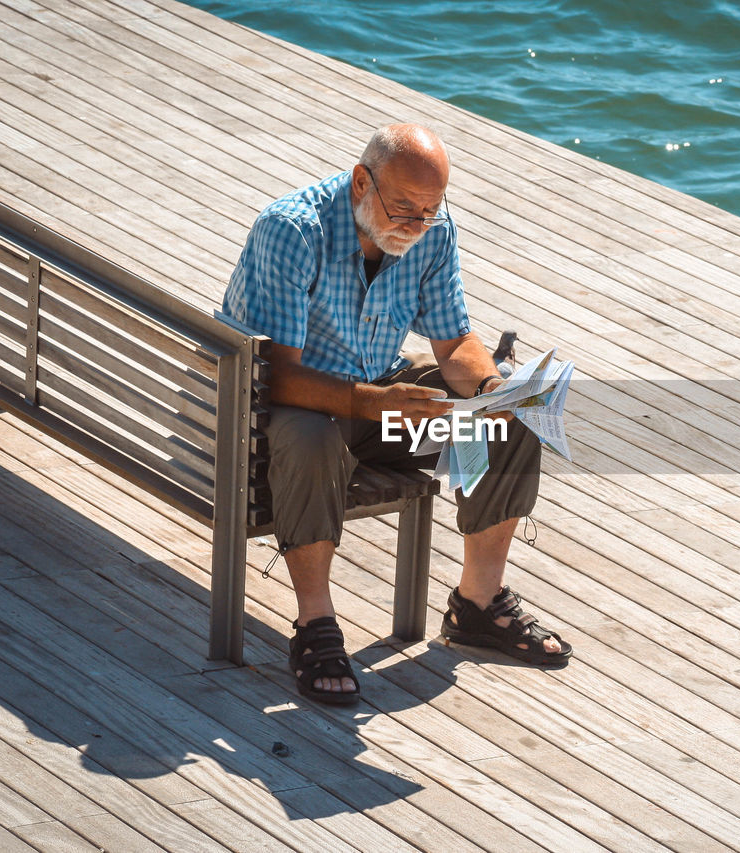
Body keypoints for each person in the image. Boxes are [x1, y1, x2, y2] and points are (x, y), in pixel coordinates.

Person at [222, 124, 571, 705]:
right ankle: (316, 625)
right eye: (405, 208)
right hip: (274, 411)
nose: (416, 225)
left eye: (430, 210)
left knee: (507, 422)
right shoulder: (291, 231)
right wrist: (366, 402)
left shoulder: (432, 230)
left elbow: (453, 339)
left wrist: (490, 389)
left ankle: (478, 607)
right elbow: (276, 374)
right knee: (312, 436)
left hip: (373, 399)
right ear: (362, 182)